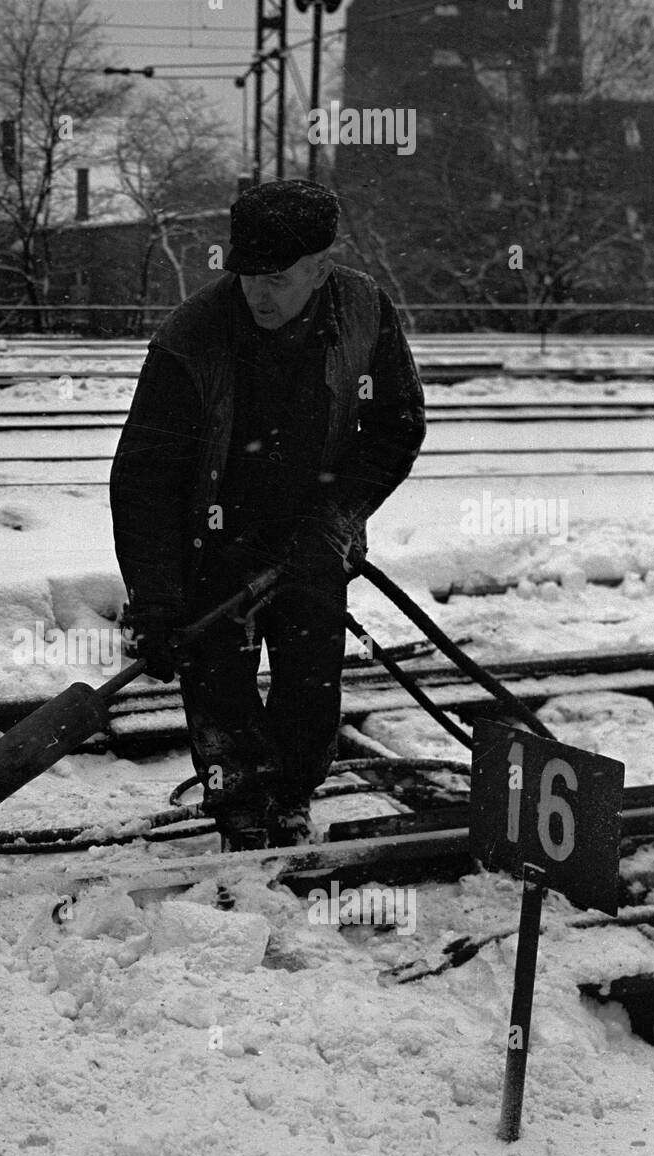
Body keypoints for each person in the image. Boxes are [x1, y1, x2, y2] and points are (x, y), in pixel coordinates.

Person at [110, 178, 426, 851]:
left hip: (311, 534)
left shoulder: (364, 311)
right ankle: (239, 808)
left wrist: (335, 519)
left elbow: (395, 426)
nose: (258, 292)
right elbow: (145, 476)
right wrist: (157, 599)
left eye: (276, 278)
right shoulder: (191, 337)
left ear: (319, 269)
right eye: (247, 274)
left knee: (309, 680)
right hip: (213, 536)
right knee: (216, 678)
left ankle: (290, 798)